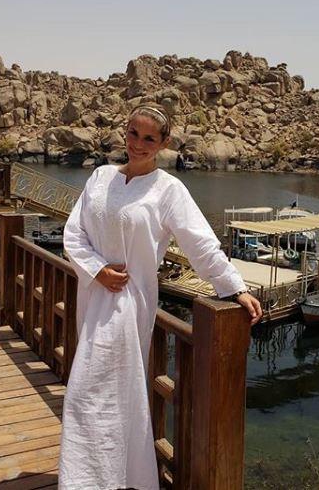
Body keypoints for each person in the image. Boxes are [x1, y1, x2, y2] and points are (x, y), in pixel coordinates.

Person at [58, 104, 262, 490]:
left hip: (128, 304)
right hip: (93, 296)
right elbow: (73, 233)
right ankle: (115, 478)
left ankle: (88, 482)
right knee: (108, 393)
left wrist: (234, 287)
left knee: (91, 391)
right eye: (133, 133)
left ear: (164, 143)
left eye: (149, 138)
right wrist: (97, 269)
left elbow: (200, 243)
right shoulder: (100, 177)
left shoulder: (168, 190)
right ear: (124, 131)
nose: (138, 144)